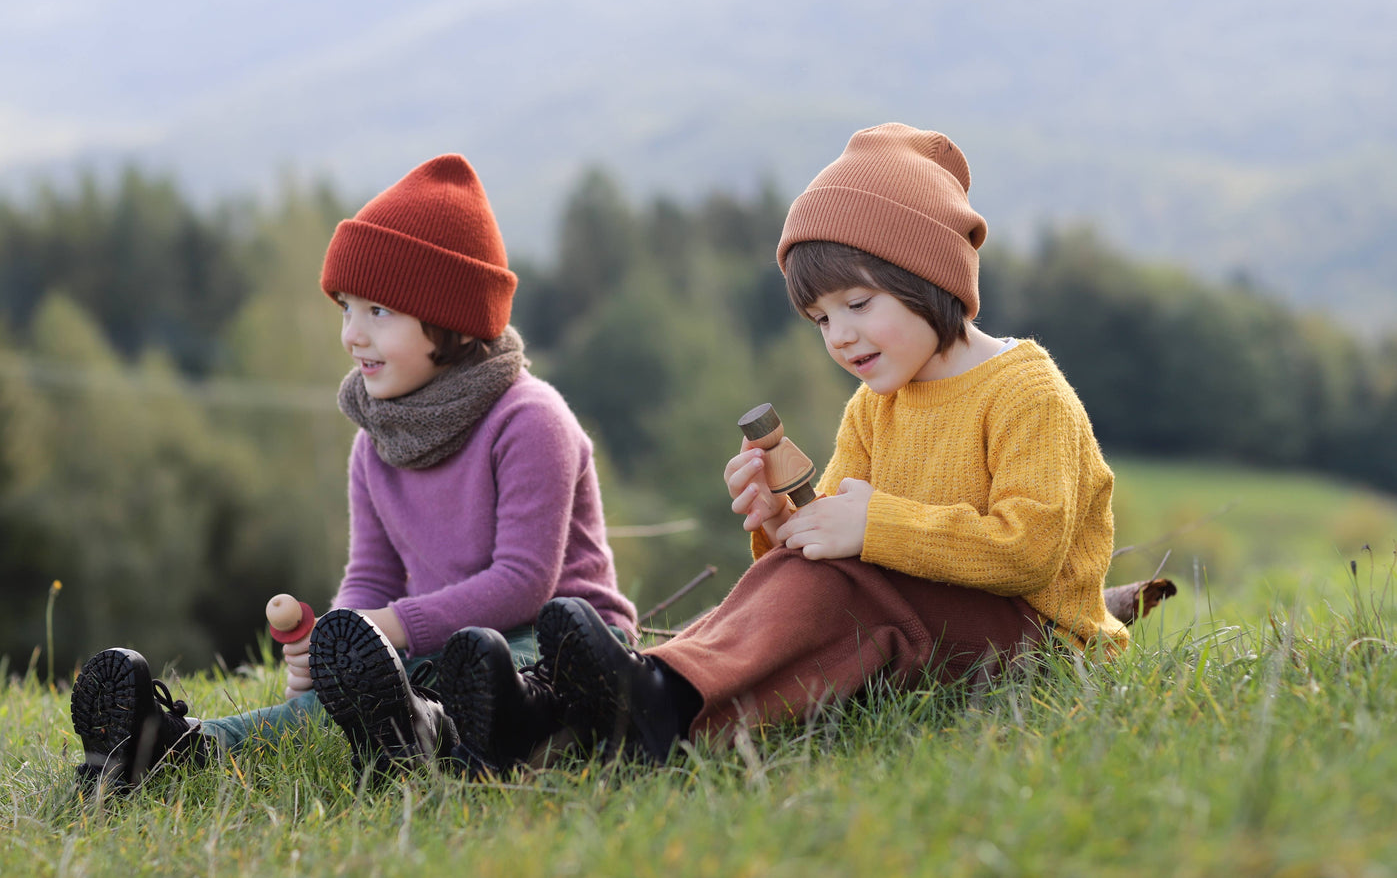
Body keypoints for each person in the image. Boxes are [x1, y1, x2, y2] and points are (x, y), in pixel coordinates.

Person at [437, 123, 1130, 766]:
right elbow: (831, 550)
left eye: (858, 305)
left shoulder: (1024, 393)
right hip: (925, 619)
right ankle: (548, 711)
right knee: (798, 577)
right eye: (820, 319)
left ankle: (663, 703)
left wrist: (869, 526)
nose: (841, 337)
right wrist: (781, 522)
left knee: (843, 589)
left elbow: (1027, 549)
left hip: (1030, 642)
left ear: (932, 278)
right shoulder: (874, 405)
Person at [68, 154, 638, 789]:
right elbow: (372, 575)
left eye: (379, 312)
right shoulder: (377, 442)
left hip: (560, 643)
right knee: (329, 707)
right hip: (436, 646)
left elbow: (524, 582)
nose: (351, 335)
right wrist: (336, 648)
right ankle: (171, 746)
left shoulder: (531, 420)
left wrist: (391, 627)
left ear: (449, 316)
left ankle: (434, 728)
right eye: (346, 308)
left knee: (490, 670)